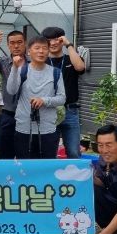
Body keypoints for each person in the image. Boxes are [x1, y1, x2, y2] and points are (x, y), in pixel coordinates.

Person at [7, 35, 65, 159]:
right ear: (29, 51)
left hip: (48, 130)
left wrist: (44, 100)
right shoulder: (21, 70)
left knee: (46, 167)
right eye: (37, 48)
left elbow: (62, 98)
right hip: (23, 129)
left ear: (48, 51)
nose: (41, 51)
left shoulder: (56, 73)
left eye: (44, 48)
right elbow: (11, 90)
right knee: (25, 167)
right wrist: (15, 68)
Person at [41, 27, 86, 158]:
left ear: (62, 40)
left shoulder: (71, 59)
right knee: (48, 153)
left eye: (57, 39)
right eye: (49, 40)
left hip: (70, 110)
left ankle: (74, 173)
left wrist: (69, 45)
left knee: (73, 152)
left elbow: (80, 67)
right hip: (48, 111)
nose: (53, 43)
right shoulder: (42, 62)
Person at [0, 30, 28, 159]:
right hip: (8, 114)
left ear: (25, 43)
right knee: (5, 155)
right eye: (12, 43)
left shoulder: (33, 62)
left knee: (26, 155)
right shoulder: (4, 61)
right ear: (8, 45)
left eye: (19, 42)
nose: (16, 46)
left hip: (28, 116)